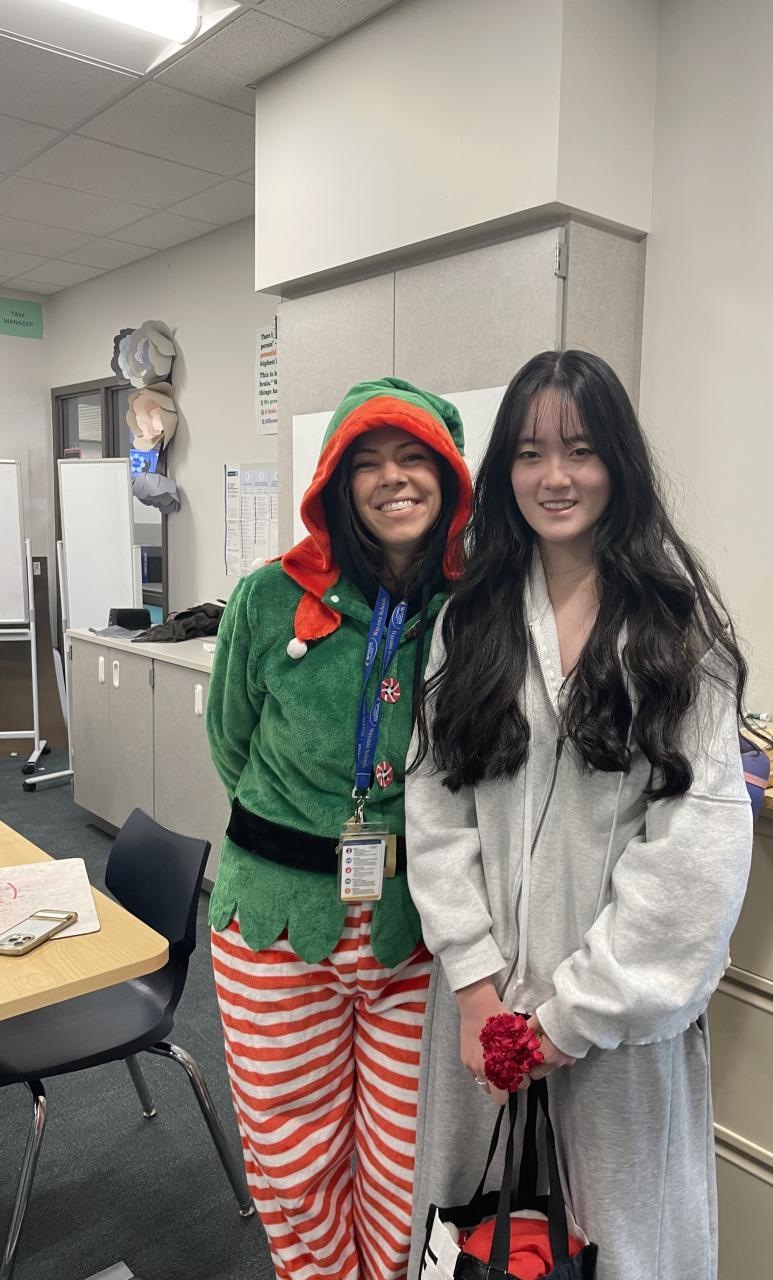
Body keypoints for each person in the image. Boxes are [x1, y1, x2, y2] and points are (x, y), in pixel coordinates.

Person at [405, 350, 755, 1280]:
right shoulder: (470, 620)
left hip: (614, 1032)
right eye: (530, 453)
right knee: (475, 1240)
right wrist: (477, 988)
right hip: (483, 1020)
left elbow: (695, 857)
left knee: (619, 1248)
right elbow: (435, 806)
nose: (554, 476)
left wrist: (569, 1020)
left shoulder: (680, 631)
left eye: (581, 450)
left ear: (619, 464)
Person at [205, 377, 472, 1280]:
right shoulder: (267, 598)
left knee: (410, 1162)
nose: (393, 478)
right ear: (336, 482)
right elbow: (231, 742)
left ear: (449, 478)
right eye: (369, 463)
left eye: (414, 458)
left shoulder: (476, 609)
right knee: (293, 1151)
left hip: (417, 928)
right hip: (274, 919)